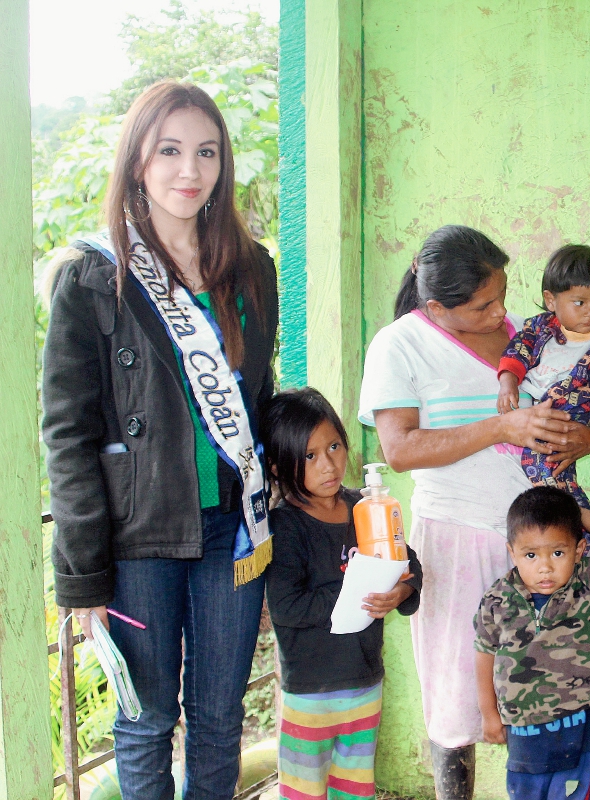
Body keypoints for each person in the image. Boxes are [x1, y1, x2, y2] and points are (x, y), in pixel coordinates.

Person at [43, 81, 278, 799]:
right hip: (137, 537)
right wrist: (82, 574)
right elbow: (67, 432)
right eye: (169, 150)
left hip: (232, 533)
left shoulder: (252, 271)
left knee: (218, 717)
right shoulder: (92, 277)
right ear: (137, 163)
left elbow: (259, 402)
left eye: (206, 152)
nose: (190, 170)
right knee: (144, 722)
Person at [358, 225, 590, 799]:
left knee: (542, 688)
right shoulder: (399, 345)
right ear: (437, 307)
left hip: (537, 542)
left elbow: (579, 417)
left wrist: (581, 440)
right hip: (459, 540)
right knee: (459, 693)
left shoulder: (527, 339)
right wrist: (502, 426)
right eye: (484, 304)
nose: (501, 311)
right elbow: (400, 449)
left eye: (503, 294)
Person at [261, 388, 423, 800]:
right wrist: (357, 589)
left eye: (333, 446)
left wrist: (401, 590)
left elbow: (410, 563)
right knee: (303, 791)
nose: (329, 465)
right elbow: (286, 606)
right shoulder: (286, 527)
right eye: (310, 456)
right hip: (310, 693)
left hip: (364, 683)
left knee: (355, 787)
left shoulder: (367, 508)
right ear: (280, 467)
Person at [474, 487, 590, 800]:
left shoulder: (586, 585)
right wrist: (488, 713)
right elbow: (484, 653)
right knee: (526, 792)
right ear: (512, 552)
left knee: (574, 791)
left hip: (580, 720)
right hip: (526, 727)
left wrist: (575, 511)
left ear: (579, 549)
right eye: (531, 555)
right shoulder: (497, 600)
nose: (545, 567)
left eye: (558, 553)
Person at [496, 245, 590, 508]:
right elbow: (518, 350)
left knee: (549, 472)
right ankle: (578, 525)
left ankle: (577, 524)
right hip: (533, 411)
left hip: (570, 417)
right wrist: (508, 381)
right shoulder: (539, 327)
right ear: (551, 300)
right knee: (548, 480)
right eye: (580, 302)